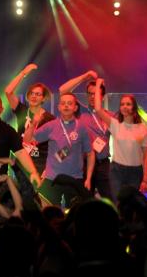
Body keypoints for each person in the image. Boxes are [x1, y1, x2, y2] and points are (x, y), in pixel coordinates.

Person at [24, 92, 94, 207]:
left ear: (75, 108)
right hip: (52, 178)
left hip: (74, 178)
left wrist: (89, 178)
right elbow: (27, 140)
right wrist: (34, 123)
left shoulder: (82, 127)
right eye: (63, 103)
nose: (66, 106)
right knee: (46, 211)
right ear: (59, 107)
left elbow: (90, 154)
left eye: (69, 103)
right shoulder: (51, 125)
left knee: (75, 213)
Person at [91, 79, 147, 201]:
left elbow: (146, 156)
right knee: (118, 201)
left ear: (134, 107)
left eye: (128, 104)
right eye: (122, 104)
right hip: (117, 171)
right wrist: (98, 85)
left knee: (131, 203)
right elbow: (98, 109)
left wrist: (146, 179)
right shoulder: (115, 124)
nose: (125, 106)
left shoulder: (143, 128)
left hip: (135, 172)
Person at [59, 70, 113, 199]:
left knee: (109, 199)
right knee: (85, 199)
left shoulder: (110, 116)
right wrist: (84, 77)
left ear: (102, 96)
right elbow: (63, 91)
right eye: (89, 94)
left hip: (103, 164)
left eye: (96, 93)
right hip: (84, 163)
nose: (92, 97)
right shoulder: (80, 111)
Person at [4, 64, 56, 197]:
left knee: (38, 199)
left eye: (38, 94)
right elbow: (8, 92)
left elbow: (55, 146)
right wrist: (23, 73)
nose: (34, 96)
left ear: (43, 98)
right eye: (32, 93)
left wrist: (49, 169)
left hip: (39, 164)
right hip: (21, 161)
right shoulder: (22, 110)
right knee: (19, 197)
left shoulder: (50, 119)